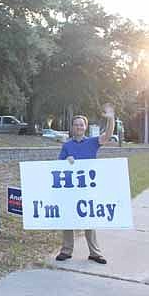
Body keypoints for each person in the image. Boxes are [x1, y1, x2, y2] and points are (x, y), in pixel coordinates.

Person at [55, 104, 115, 265]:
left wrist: (111, 119)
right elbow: (58, 166)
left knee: (89, 220)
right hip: (71, 188)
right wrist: (67, 161)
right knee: (68, 219)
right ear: (73, 128)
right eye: (76, 125)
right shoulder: (67, 145)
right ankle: (66, 251)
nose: (79, 127)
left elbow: (108, 135)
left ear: (85, 127)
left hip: (88, 187)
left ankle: (95, 253)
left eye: (82, 124)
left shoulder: (93, 142)